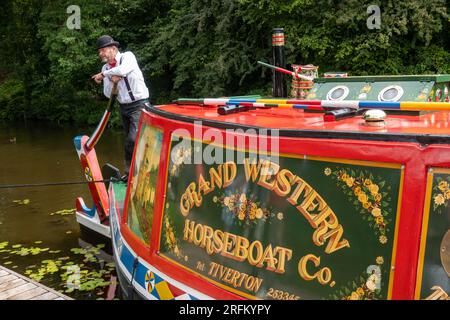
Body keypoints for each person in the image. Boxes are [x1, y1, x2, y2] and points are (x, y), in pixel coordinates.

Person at [92, 35, 150, 181]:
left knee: (133, 139)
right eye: (99, 52)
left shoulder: (127, 57)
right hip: (124, 107)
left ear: (113, 49)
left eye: (103, 50)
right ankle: (130, 174)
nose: (101, 54)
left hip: (139, 104)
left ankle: (143, 173)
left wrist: (104, 75)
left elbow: (123, 70)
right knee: (130, 142)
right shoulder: (105, 67)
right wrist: (112, 81)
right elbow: (107, 93)